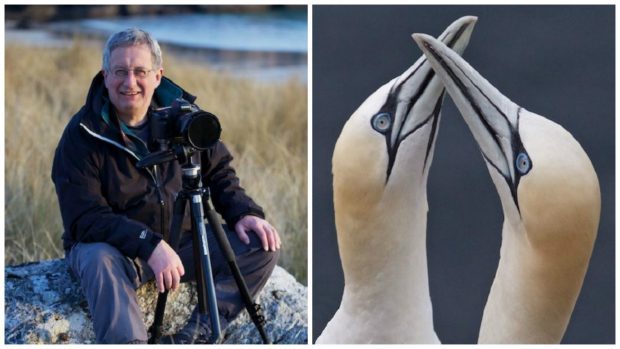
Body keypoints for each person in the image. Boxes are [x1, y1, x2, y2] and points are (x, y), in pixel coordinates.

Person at [51, 28, 281, 344]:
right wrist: (150, 244)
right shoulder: (83, 135)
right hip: (119, 252)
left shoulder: (185, 119)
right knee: (96, 258)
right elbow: (84, 218)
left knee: (261, 244)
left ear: (158, 76)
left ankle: (195, 334)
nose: (129, 82)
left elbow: (220, 175)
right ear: (105, 76)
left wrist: (244, 213)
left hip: (184, 244)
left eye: (140, 72)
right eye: (120, 72)